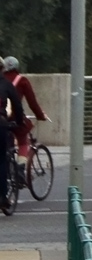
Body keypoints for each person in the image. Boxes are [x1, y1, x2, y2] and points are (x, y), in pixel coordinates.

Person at [3, 56, 48, 165]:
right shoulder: (22, 81)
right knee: (23, 140)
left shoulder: (1, 80)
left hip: (2, 117)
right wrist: (40, 115)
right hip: (15, 116)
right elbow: (32, 102)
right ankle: (20, 170)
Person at [0, 75, 19, 211]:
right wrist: (19, 122)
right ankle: (3, 197)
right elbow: (17, 105)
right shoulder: (6, 84)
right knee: (1, 160)